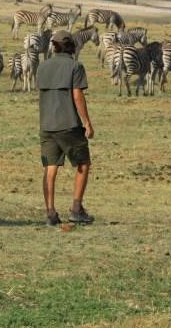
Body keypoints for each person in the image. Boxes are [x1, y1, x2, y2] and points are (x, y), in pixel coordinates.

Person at [37, 30, 95, 226]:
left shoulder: (43, 66)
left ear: (54, 46)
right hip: (68, 124)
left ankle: (50, 213)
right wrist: (86, 122)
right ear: (71, 45)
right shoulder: (75, 66)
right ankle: (77, 209)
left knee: (50, 168)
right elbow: (77, 96)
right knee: (83, 163)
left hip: (46, 124)